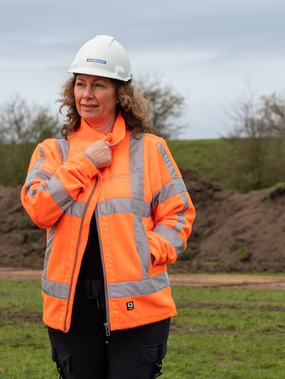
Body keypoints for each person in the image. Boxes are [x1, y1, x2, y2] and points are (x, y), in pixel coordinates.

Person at [21, 35, 195, 379]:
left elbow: (178, 215)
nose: (87, 94)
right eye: (80, 84)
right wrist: (85, 162)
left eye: (98, 85)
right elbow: (40, 210)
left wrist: (147, 251)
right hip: (72, 310)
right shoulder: (52, 153)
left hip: (139, 306)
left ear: (120, 95)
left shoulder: (149, 150)